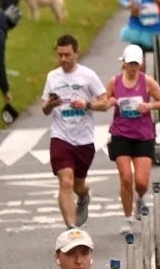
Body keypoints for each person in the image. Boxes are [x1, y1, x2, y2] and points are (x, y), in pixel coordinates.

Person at [42, 34, 110, 229]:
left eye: (67, 55)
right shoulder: (52, 77)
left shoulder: (87, 75)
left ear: (76, 54)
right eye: (60, 55)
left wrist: (87, 104)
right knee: (65, 181)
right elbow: (44, 109)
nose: (63, 59)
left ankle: (83, 195)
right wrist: (50, 104)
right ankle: (72, 229)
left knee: (78, 185)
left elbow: (104, 103)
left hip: (84, 139)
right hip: (60, 136)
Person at [106, 43, 160, 234]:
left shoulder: (147, 81)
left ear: (140, 64)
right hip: (121, 134)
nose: (133, 68)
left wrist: (149, 107)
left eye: (136, 64)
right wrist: (110, 102)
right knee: (126, 178)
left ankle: (140, 198)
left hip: (143, 135)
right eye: (130, 64)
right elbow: (103, 100)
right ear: (123, 63)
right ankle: (128, 218)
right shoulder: (114, 82)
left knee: (141, 181)